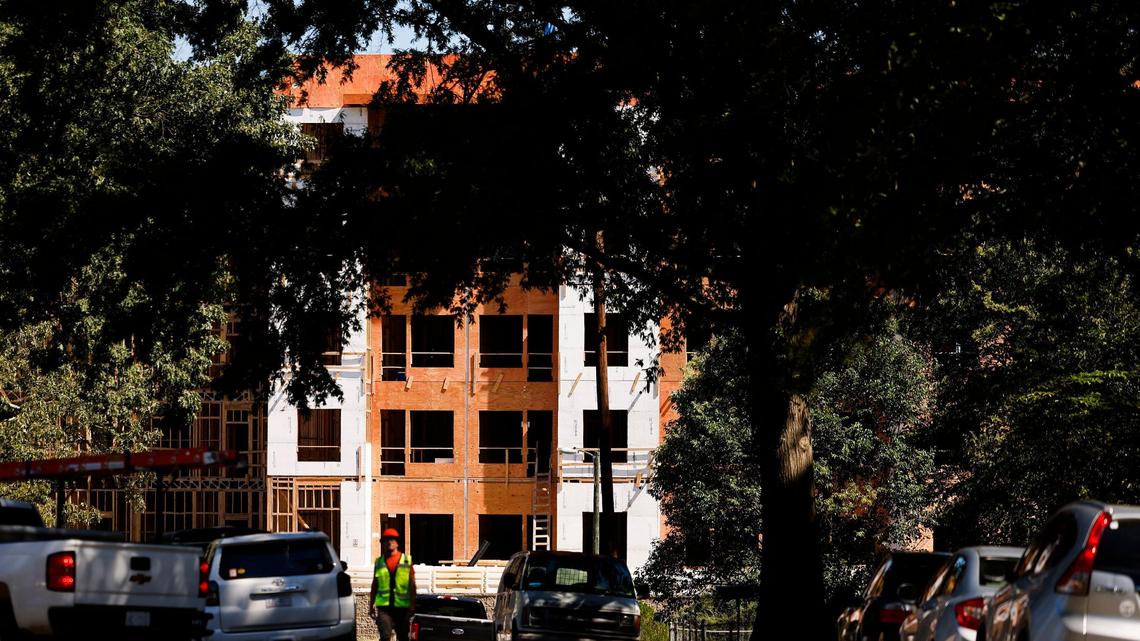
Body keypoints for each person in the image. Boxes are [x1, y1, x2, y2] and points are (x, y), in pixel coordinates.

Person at [370, 527, 416, 641]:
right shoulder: (379, 562)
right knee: (385, 636)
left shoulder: (406, 560)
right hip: (384, 608)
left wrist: (413, 604)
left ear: (397, 543)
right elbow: (375, 584)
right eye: (387, 540)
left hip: (402, 607)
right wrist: (371, 604)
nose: (390, 542)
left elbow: (412, 585)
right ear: (383, 543)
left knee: (402, 637)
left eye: (393, 539)